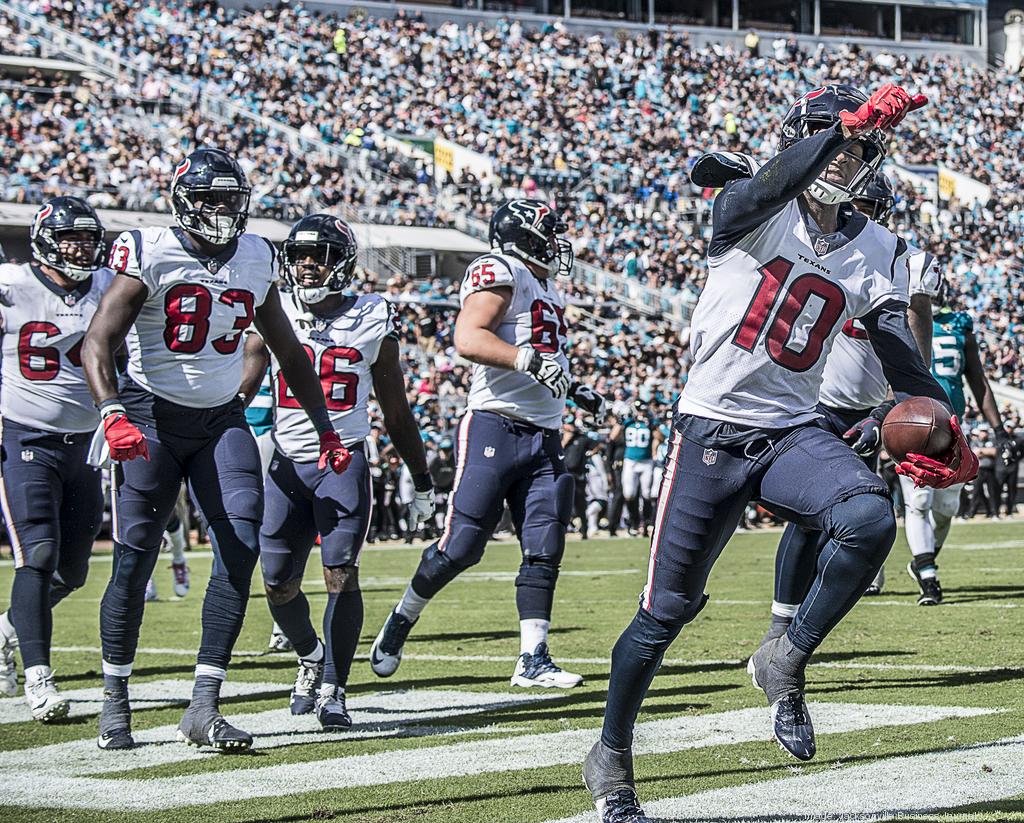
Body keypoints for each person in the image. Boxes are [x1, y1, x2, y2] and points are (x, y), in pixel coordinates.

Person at [582, 84, 978, 823]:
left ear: (875, 155)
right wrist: (839, 131)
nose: (842, 154)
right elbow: (767, 184)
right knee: (662, 613)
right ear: (798, 142)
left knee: (869, 518)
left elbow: (903, 358)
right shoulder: (750, 203)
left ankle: (785, 655)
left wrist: (945, 423)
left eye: (856, 143)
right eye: (827, 140)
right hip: (710, 431)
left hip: (792, 429)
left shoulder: (878, 248)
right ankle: (609, 753)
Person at [81, 147, 351, 752]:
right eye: (208, 198)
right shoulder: (149, 249)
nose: (221, 209)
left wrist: (326, 429)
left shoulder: (257, 255)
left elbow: (289, 351)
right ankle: (115, 698)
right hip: (150, 416)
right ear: (182, 200)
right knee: (134, 559)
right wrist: (112, 410)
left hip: (221, 419)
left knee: (240, 544)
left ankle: (204, 704)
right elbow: (98, 341)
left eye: (230, 197)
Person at [368, 199, 604, 688]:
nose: (556, 242)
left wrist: (571, 386)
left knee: (544, 543)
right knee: (462, 545)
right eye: (548, 232)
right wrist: (530, 363)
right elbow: (468, 338)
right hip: (495, 425)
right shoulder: (501, 268)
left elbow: (543, 356)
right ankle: (402, 617)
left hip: (543, 430)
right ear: (523, 236)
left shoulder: (543, 285)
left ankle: (532, 657)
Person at [254, 214, 433, 731]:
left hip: (343, 459)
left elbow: (396, 410)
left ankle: (334, 685)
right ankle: (310, 655)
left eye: (321, 255)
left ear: (344, 263)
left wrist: (421, 479)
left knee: (339, 574)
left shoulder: (373, 316)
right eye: (301, 255)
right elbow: (245, 378)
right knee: (277, 582)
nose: (308, 265)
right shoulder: (275, 306)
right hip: (285, 459)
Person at [753, 171, 938, 641]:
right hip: (818, 405)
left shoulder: (899, 262)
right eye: (855, 206)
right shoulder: (818, 252)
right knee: (807, 521)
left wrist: (885, 414)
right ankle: (781, 628)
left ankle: (798, 627)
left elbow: (915, 360)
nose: (858, 217)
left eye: (869, 210)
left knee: (860, 515)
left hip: (872, 411)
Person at [0, 197, 112, 720]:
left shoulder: (107, 287)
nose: (82, 248)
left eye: (89, 239)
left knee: (72, 571)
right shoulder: (11, 285)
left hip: (85, 443)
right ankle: (38, 676)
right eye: (72, 238)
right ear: (45, 238)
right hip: (24, 437)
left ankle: (6, 629)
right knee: (37, 554)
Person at [899, 289, 1018, 604]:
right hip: (914, 426)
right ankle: (928, 576)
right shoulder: (899, 316)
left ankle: (923, 558)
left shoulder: (959, 324)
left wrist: (999, 430)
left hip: (952, 426)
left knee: (947, 508)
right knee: (919, 500)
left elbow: (977, 380)